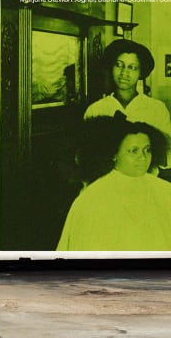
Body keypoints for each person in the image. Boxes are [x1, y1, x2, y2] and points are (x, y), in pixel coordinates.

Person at [57, 117, 171, 250]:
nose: (143, 157)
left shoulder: (165, 189)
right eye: (134, 151)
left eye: (147, 150)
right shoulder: (93, 197)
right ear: (114, 154)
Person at [84, 39, 171, 138]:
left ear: (141, 72)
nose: (124, 73)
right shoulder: (95, 110)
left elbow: (167, 150)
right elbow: (89, 150)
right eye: (119, 65)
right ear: (111, 67)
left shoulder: (157, 109)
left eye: (132, 67)